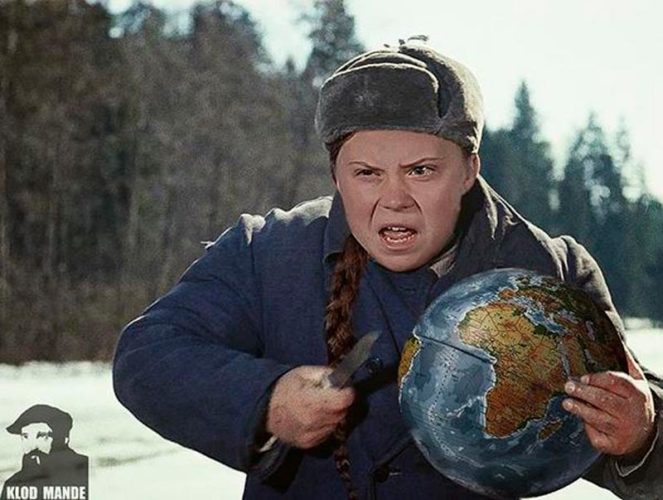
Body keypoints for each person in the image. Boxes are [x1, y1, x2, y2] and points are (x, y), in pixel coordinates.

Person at [112, 40, 663, 499]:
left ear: (469, 169)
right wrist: (266, 399)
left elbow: (629, 418)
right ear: (336, 174)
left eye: (421, 170)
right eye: (367, 173)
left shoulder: (549, 274)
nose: (394, 198)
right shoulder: (269, 251)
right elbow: (147, 356)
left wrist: (643, 432)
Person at [1, 405, 88, 500]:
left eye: (42, 436)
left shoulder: (82, 476)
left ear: (64, 439)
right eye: (25, 436)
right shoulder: (13, 485)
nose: (32, 446)